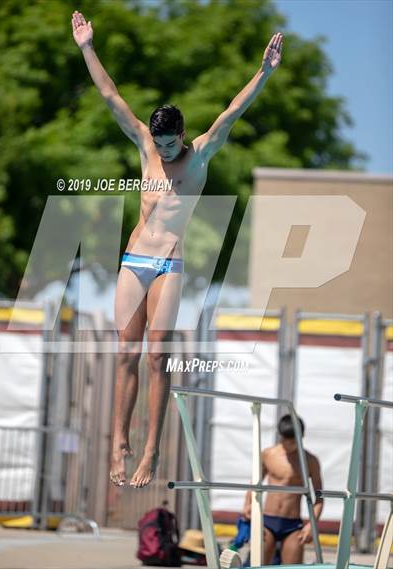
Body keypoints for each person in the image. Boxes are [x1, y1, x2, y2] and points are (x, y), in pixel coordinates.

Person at [72, 10, 283, 488]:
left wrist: (264, 73)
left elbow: (233, 110)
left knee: (156, 356)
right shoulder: (146, 148)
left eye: (170, 146)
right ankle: (118, 442)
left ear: (183, 137)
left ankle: (151, 449)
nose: (164, 154)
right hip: (134, 259)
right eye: (160, 145)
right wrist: (87, 46)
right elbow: (110, 96)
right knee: (125, 354)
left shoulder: (201, 154)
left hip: (169, 262)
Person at [241, 415, 323, 565]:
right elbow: (254, 483)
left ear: (301, 437)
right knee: (258, 565)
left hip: (292, 525)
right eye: (283, 440)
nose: (287, 445)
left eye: (291, 442)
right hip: (267, 521)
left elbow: (319, 497)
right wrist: (247, 504)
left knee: (292, 567)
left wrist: (312, 525)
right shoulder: (269, 454)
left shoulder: (310, 461)